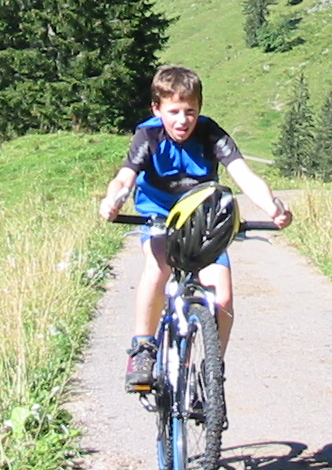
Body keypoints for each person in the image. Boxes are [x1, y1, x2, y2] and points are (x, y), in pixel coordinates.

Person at [99, 64, 293, 392]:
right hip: (158, 218)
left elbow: (243, 175)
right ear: (156, 109)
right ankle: (143, 347)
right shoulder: (148, 136)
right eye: (173, 111)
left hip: (202, 221)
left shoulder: (210, 134)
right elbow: (125, 177)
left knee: (223, 295)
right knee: (158, 267)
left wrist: (272, 207)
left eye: (190, 111)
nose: (182, 120)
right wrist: (113, 200)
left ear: (200, 109)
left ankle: (211, 370)